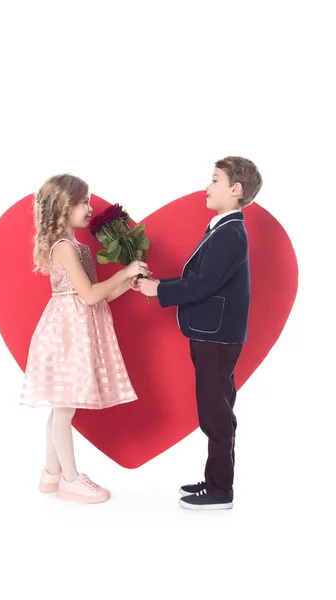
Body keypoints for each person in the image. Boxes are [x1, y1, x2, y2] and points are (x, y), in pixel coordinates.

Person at [135, 156, 263, 510]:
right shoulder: (222, 228)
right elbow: (198, 281)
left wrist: (158, 291)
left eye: (215, 180)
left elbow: (203, 285)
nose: (208, 187)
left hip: (217, 335)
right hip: (214, 333)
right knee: (216, 407)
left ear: (235, 190)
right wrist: (157, 285)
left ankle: (221, 490)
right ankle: (214, 481)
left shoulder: (231, 232)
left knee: (215, 412)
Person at [21, 174, 149, 503]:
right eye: (83, 202)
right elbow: (90, 296)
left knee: (62, 408)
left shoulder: (75, 246)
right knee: (64, 410)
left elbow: (98, 297)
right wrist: (123, 272)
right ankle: (70, 479)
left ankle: (52, 474)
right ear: (64, 207)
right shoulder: (64, 248)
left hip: (76, 329)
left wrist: (126, 282)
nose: (89, 208)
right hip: (66, 336)